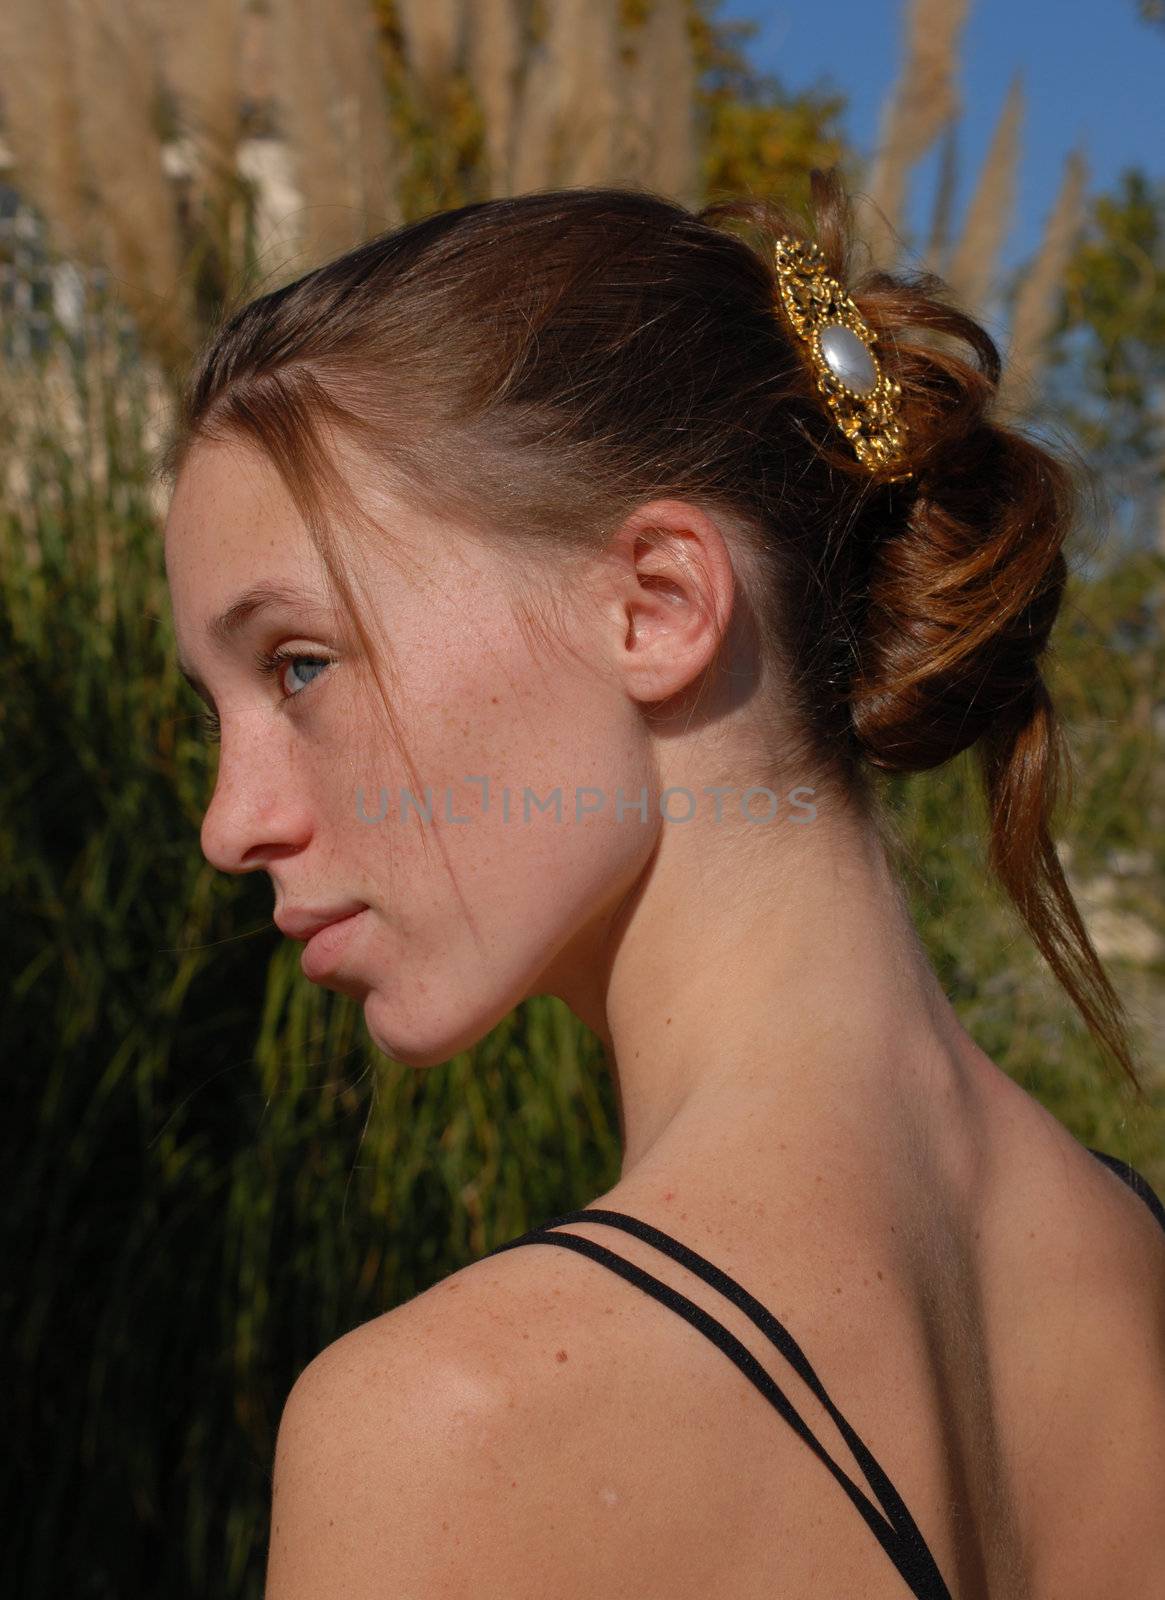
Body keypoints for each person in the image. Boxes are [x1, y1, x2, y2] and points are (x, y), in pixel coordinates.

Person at [161, 167, 1165, 1598]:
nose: (230, 824)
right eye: (221, 712)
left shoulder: (451, 1436)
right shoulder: (1137, 1268)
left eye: (300, 665)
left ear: (658, 607)